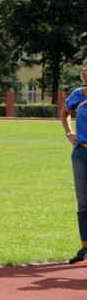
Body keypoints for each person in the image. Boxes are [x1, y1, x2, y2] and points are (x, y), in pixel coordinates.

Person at [61, 58, 87, 265]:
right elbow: (65, 112)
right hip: (81, 153)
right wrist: (69, 132)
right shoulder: (78, 94)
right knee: (83, 202)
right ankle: (85, 249)